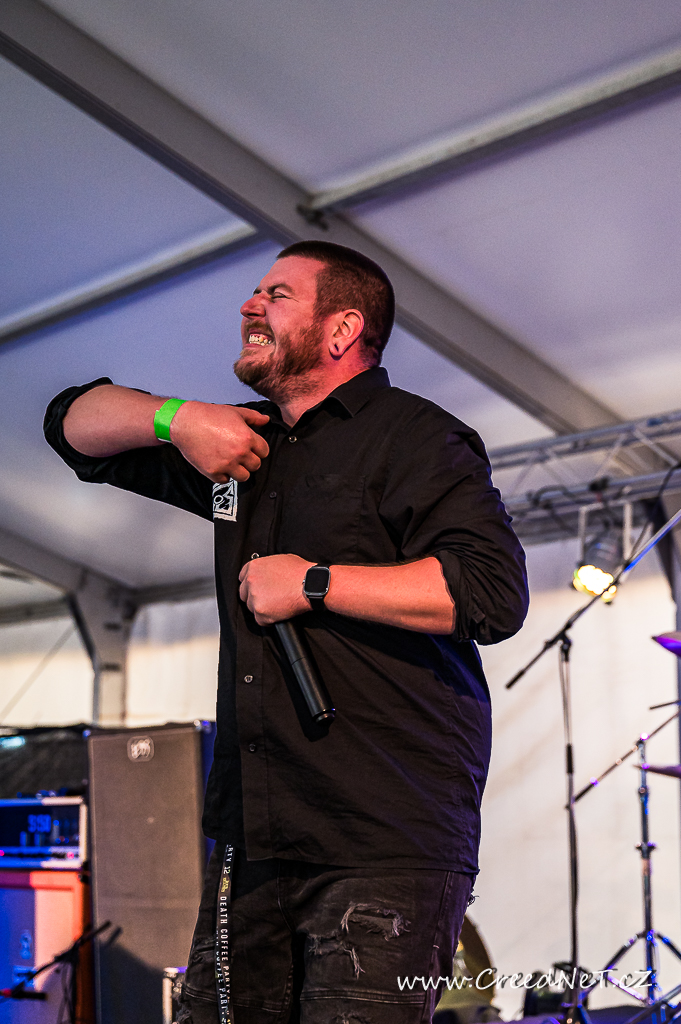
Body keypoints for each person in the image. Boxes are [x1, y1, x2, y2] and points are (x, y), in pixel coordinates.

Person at [44, 240, 529, 1024]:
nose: (250, 304)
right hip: (252, 838)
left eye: (276, 293)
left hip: (380, 838)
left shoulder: (416, 437)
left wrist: (312, 582)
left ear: (341, 330)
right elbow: (69, 424)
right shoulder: (234, 443)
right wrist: (178, 418)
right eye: (255, 292)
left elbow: (489, 594)